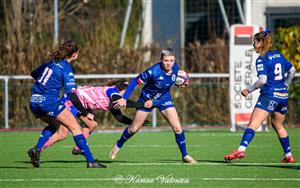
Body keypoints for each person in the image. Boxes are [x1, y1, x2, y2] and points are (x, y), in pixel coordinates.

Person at [109, 48, 197, 164]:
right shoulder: (153, 71)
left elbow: (172, 80)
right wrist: (124, 98)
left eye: (171, 60)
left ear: (174, 60)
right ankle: (118, 145)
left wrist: (180, 83)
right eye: (165, 60)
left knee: (177, 128)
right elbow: (135, 81)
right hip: (146, 101)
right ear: (161, 60)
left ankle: (185, 155)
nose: (168, 63)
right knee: (133, 129)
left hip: (164, 99)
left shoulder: (175, 68)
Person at [28, 40, 105, 168]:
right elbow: (72, 95)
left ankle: (37, 149)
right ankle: (91, 161)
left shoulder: (50, 62)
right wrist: (85, 113)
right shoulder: (66, 67)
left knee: (55, 124)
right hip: (49, 102)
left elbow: (34, 73)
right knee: (75, 128)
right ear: (74, 55)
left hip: (34, 102)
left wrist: (45, 85)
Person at [224, 30, 297, 163]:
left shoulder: (261, 59)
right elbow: (292, 70)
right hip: (283, 96)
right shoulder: (278, 55)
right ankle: (288, 155)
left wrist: (249, 90)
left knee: (253, 124)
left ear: (262, 43)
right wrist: (286, 83)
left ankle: (241, 149)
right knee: (278, 125)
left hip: (269, 95)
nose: (253, 43)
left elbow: (262, 80)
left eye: (255, 41)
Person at [29, 80, 149, 156]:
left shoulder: (113, 100)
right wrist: (143, 104)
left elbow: (119, 118)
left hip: (81, 104)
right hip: (72, 100)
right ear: (121, 90)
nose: (128, 94)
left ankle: (78, 148)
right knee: (62, 132)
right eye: (127, 91)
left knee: (92, 124)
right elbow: (126, 102)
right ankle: (38, 149)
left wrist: (137, 123)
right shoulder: (113, 92)